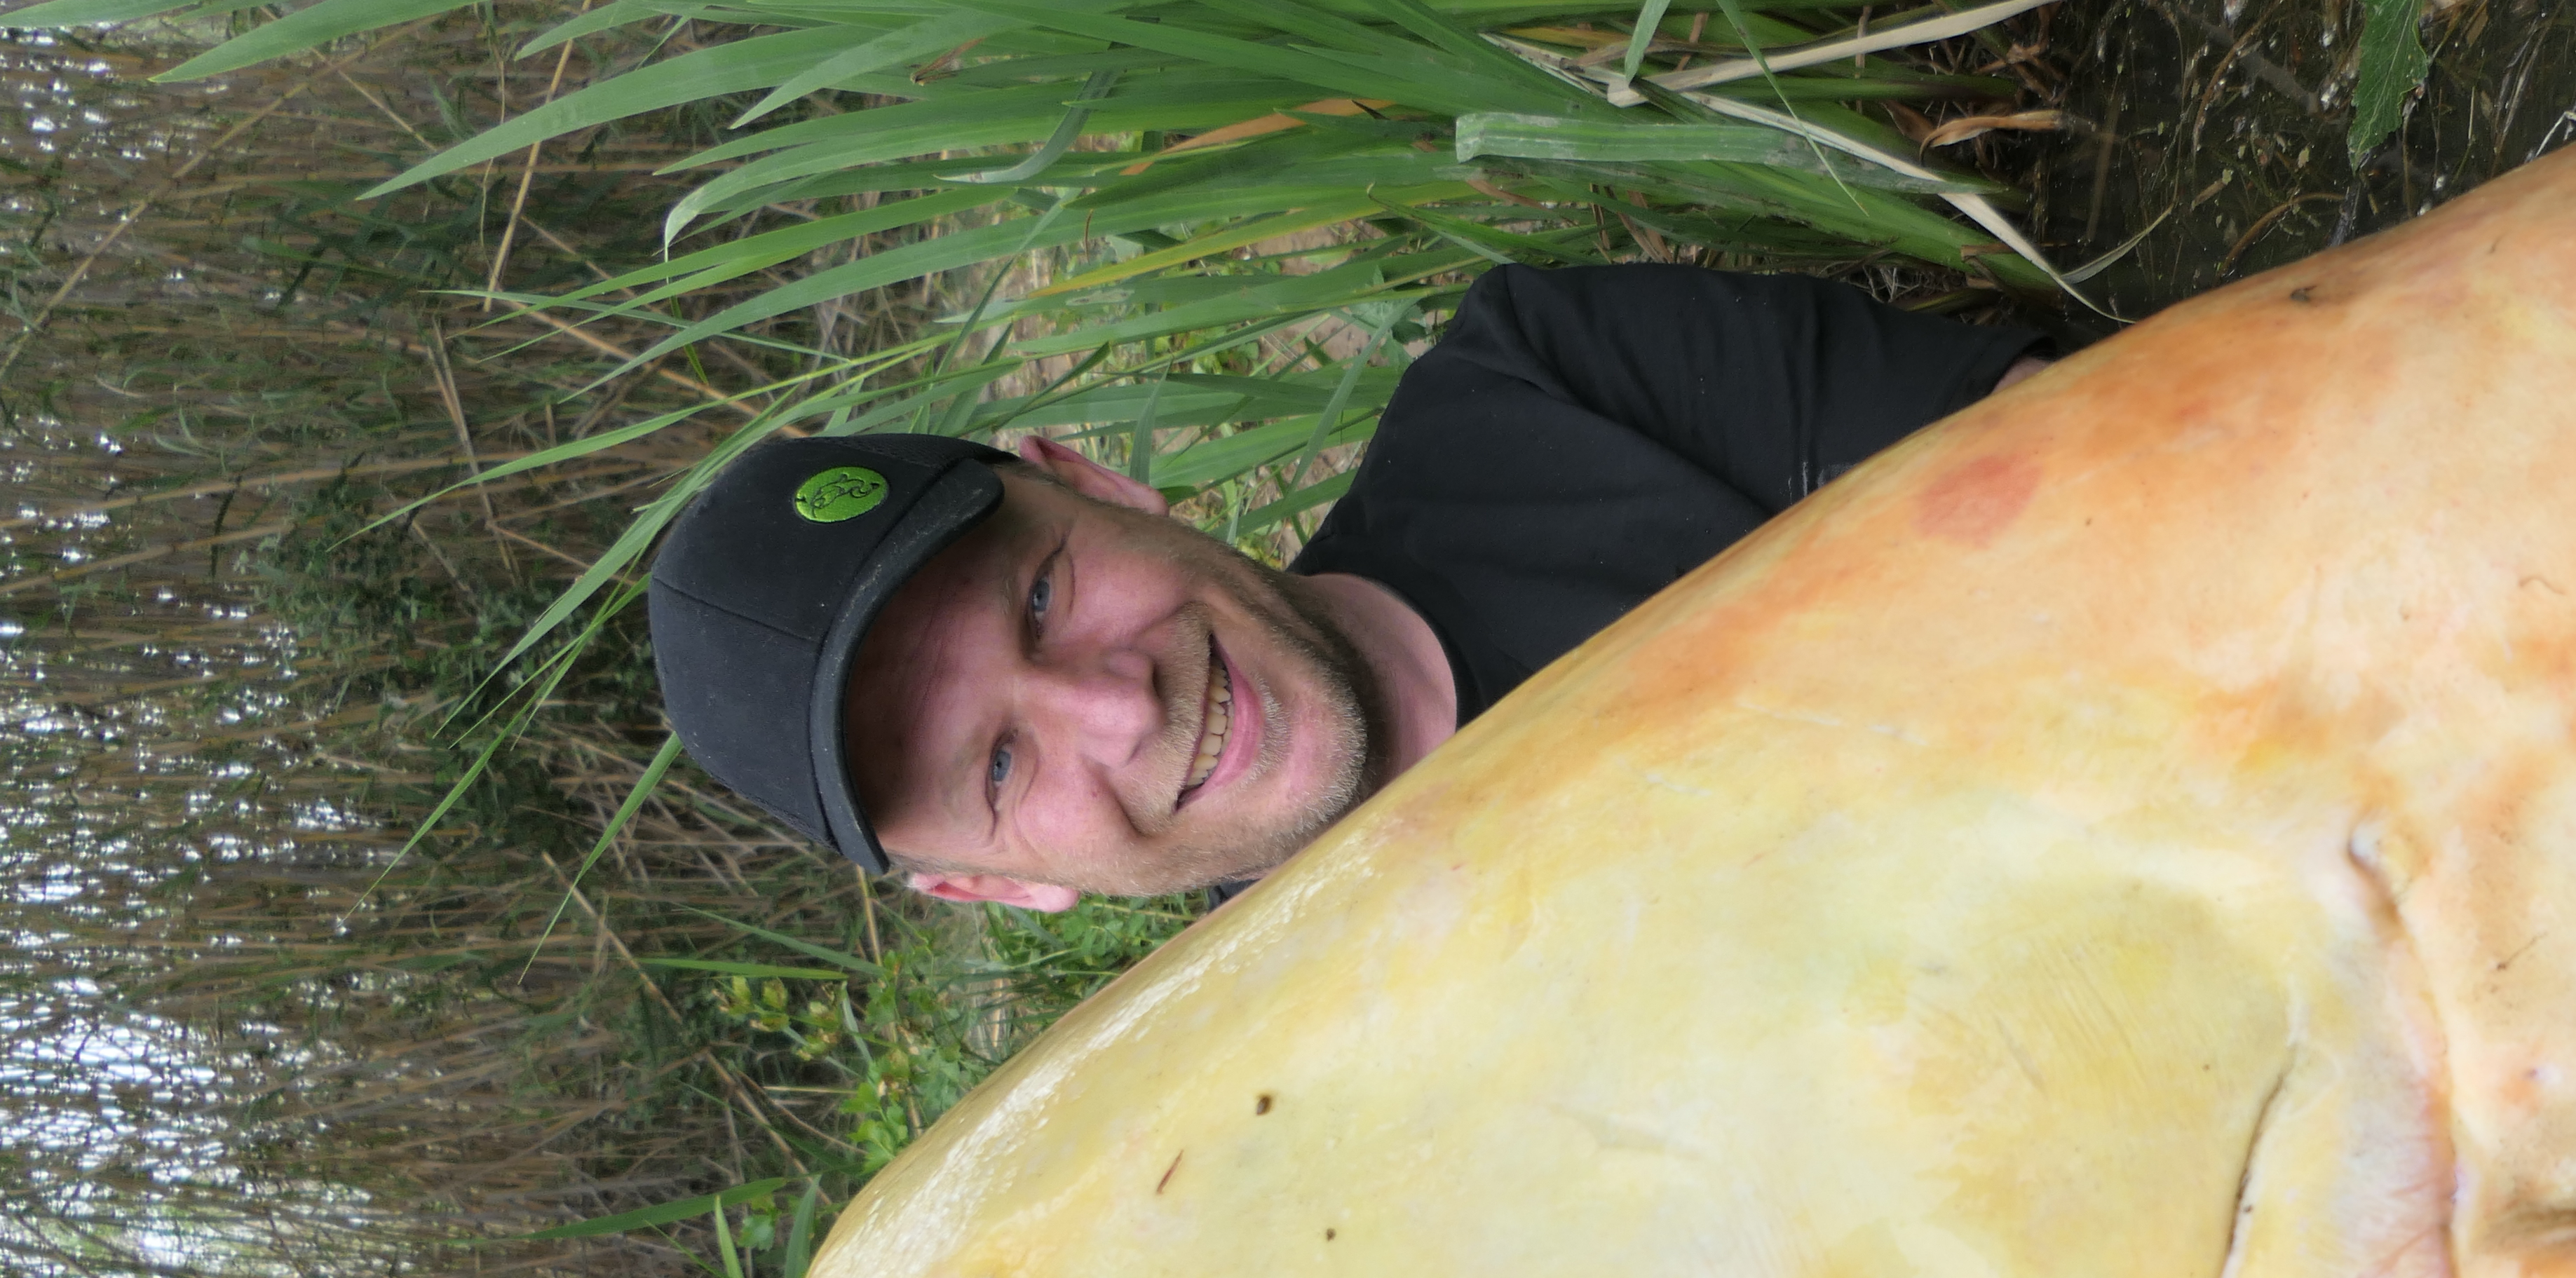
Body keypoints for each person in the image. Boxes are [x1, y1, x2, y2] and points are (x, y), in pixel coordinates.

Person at [646, 264, 2049, 911]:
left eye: (1037, 603)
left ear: (1102, 481)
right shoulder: (1297, 1141)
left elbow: (2116, 465)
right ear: (986, 887)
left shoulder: (1549, 378)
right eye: (1002, 763)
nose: (1116, 706)